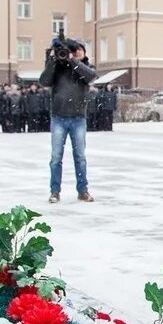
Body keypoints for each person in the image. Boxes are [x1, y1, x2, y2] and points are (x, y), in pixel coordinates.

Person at [40, 39, 97, 203]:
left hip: (78, 118)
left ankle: (83, 190)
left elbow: (91, 77)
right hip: (59, 118)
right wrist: (52, 60)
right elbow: (44, 81)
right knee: (56, 157)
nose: (77, 52)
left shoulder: (85, 67)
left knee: (80, 157)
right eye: (74, 50)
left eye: (80, 50)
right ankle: (55, 191)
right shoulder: (58, 67)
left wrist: (72, 61)